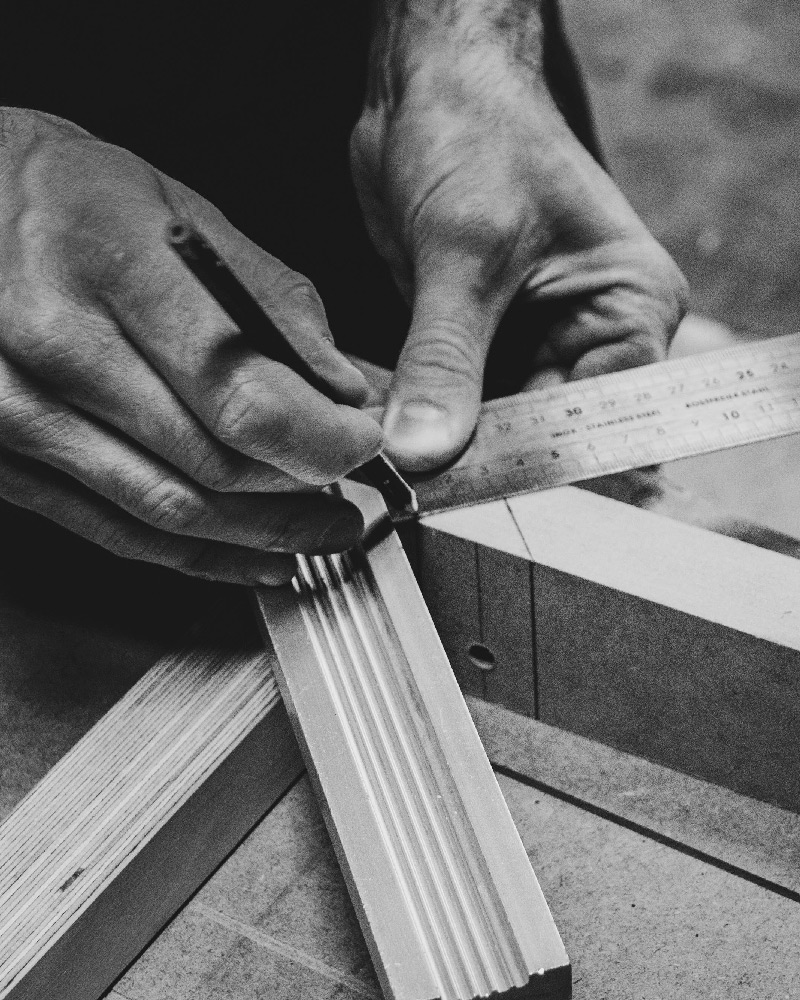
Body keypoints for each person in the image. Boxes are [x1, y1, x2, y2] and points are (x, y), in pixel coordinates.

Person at [0, 2, 687, 589]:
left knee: (521, 446)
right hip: (34, 231)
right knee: (137, 511)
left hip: (377, 89)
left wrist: (474, 38)